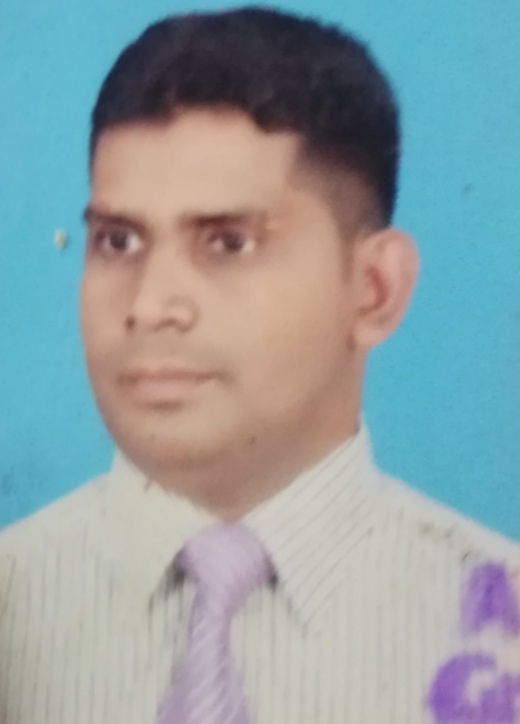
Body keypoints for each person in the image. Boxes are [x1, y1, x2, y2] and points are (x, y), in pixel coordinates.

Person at [1, 6, 519, 723]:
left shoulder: (502, 634)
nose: (149, 306)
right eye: (118, 242)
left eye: (227, 243)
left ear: (375, 289)